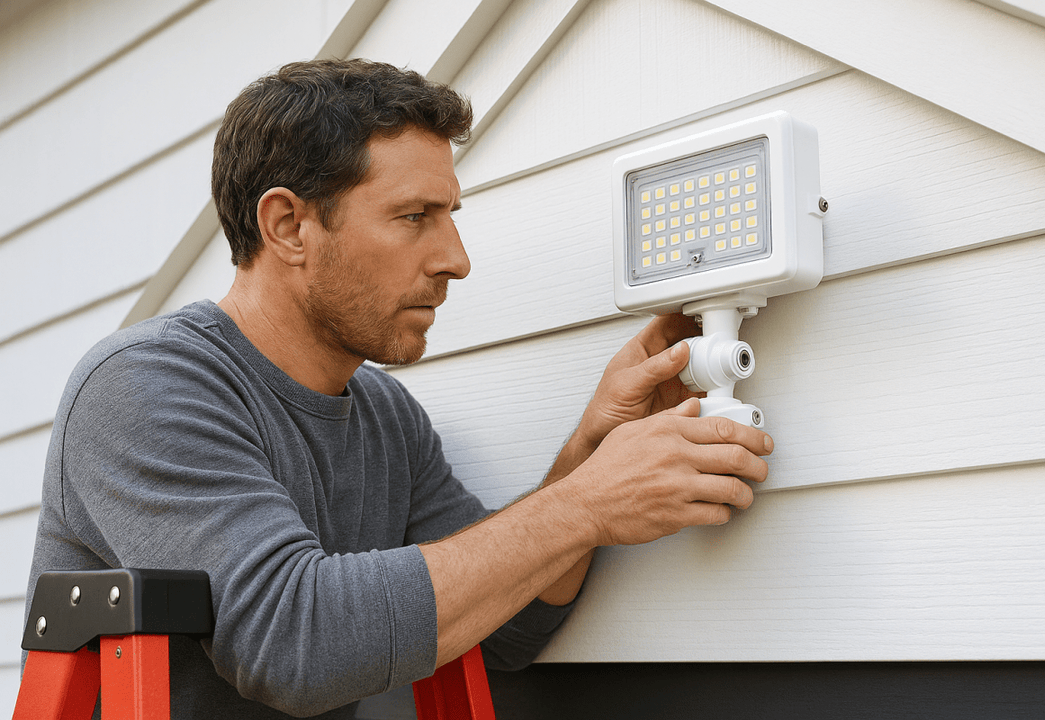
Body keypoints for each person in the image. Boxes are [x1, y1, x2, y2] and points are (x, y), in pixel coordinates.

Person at [26, 59, 772, 718]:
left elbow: (507, 626)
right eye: (415, 217)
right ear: (288, 226)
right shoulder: (143, 387)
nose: (456, 259)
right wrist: (586, 503)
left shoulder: (386, 417)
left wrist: (592, 448)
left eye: (450, 217)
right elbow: (292, 645)